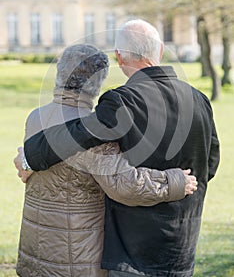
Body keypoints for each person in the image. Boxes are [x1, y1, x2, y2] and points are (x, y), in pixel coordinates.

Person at [21, 19, 219, 277]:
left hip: (132, 253)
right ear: (159, 51)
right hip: (183, 246)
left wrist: (28, 155)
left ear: (119, 57)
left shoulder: (120, 101)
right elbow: (211, 163)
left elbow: (79, 135)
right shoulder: (199, 99)